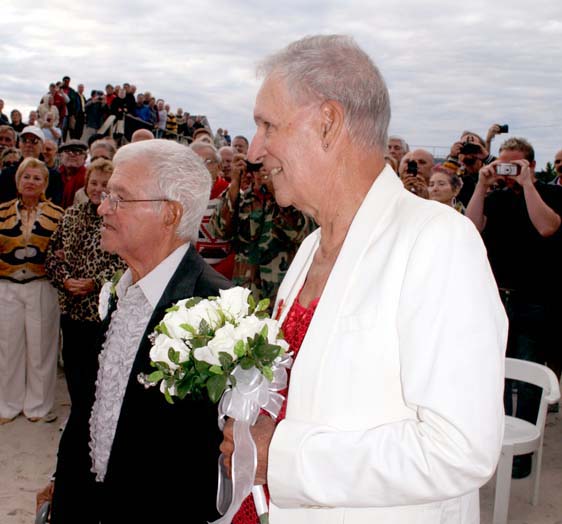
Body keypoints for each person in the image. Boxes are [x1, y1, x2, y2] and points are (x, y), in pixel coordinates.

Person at [220, 34, 507, 524]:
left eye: (268, 125)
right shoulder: (311, 246)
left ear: (328, 123)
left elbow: (460, 449)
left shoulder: (438, 241)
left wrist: (283, 458)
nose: (256, 151)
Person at [44, 139, 231, 524]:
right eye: (106, 194)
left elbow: (200, 459)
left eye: (119, 198)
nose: (101, 207)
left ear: (169, 214)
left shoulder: (217, 309)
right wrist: (62, 486)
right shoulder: (120, 288)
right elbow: (95, 409)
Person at [466, 136, 562, 477]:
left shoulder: (551, 194)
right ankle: (499, 445)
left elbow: (547, 226)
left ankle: (523, 455)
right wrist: (482, 185)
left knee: (529, 376)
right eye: (503, 164)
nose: (507, 172)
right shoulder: (496, 197)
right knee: (497, 376)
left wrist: (528, 185)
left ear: (531, 165)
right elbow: (471, 227)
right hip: (497, 298)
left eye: (515, 165)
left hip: (534, 299)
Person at [45, 158, 125, 414]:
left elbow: (124, 264)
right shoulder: (70, 215)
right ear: (86, 183)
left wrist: (95, 283)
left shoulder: (120, 220)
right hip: (71, 310)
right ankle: (79, 419)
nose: (97, 188)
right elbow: (52, 255)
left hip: (101, 316)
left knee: (98, 378)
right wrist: (65, 280)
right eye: (93, 182)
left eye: (104, 184)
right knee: (73, 371)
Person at [0, 158, 63, 425]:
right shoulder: (0, 211)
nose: (31, 182)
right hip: (6, 286)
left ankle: (38, 406)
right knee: (7, 347)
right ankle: (7, 405)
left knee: (41, 347)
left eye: (37, 178)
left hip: (41, 286)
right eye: (26, 177)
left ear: (45, 184)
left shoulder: (59, 215)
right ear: (18, 181)